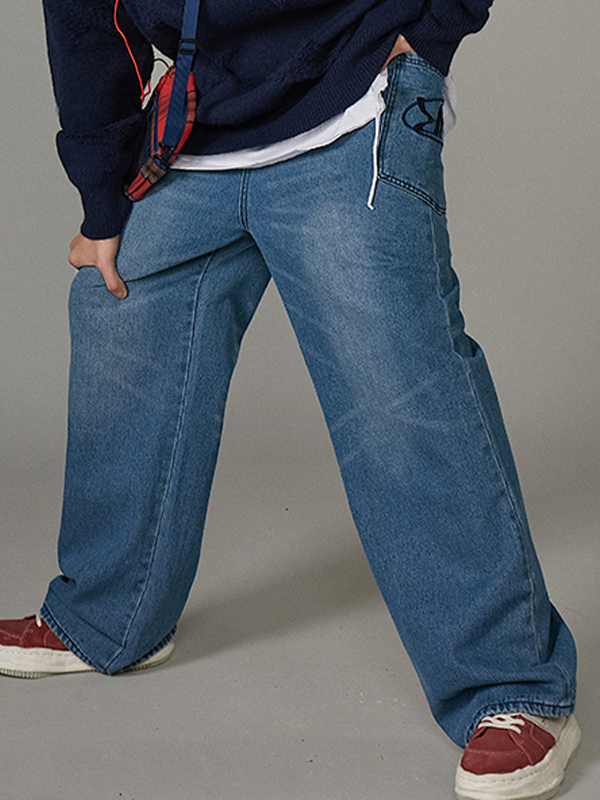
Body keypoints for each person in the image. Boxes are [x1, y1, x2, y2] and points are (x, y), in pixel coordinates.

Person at [0, 2, 581, 798]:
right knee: (121, 312)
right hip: (198, 120)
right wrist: (102, 195)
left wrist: (434, 30)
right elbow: (83, 16)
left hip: (353, 95)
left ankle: (512, 686)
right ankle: (107, 615)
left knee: (394, 384)